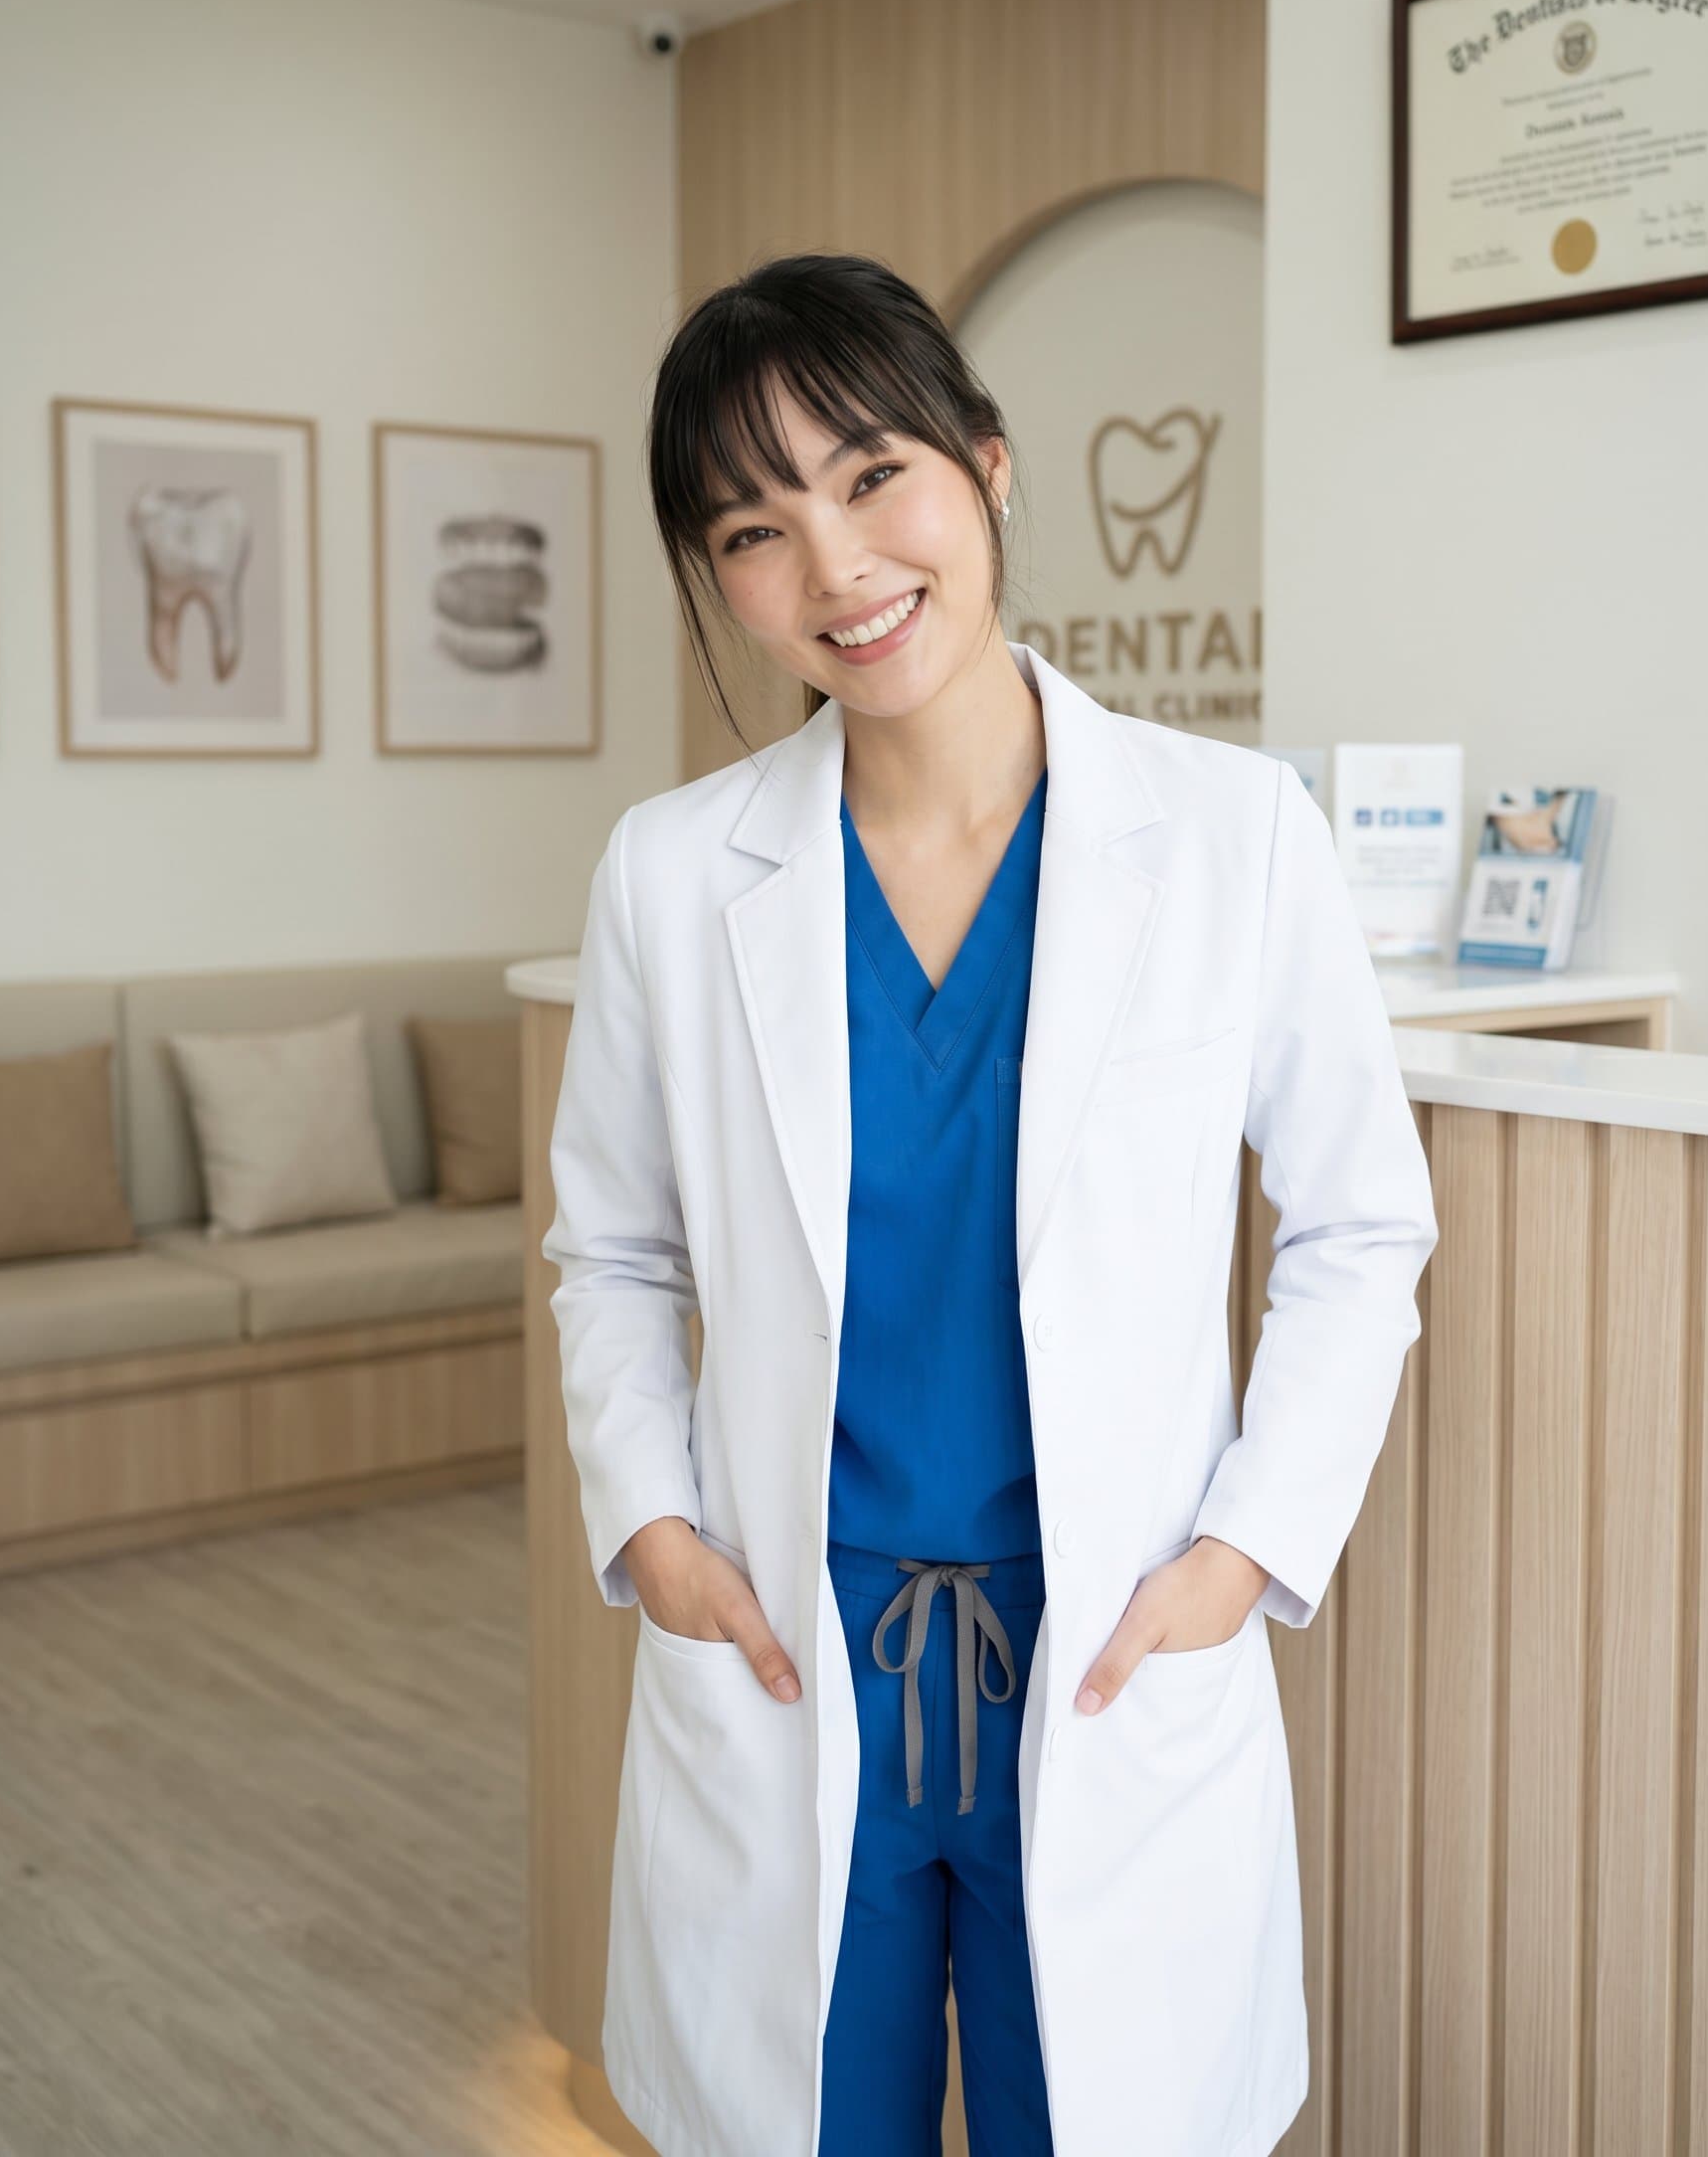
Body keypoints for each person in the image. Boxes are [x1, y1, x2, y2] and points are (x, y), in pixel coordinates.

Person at [541, 252, 1440, 2157]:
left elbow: (1361, 1229)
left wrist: (1243, 1558)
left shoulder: (1229, 837)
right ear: (722, 582)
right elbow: (612, 1250)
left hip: (1110, 1659)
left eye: (874, 477)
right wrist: (660, 1530)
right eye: (755, 528)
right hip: (794, 1660)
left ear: (989, 467)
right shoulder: (672, 875)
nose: (837, 568)